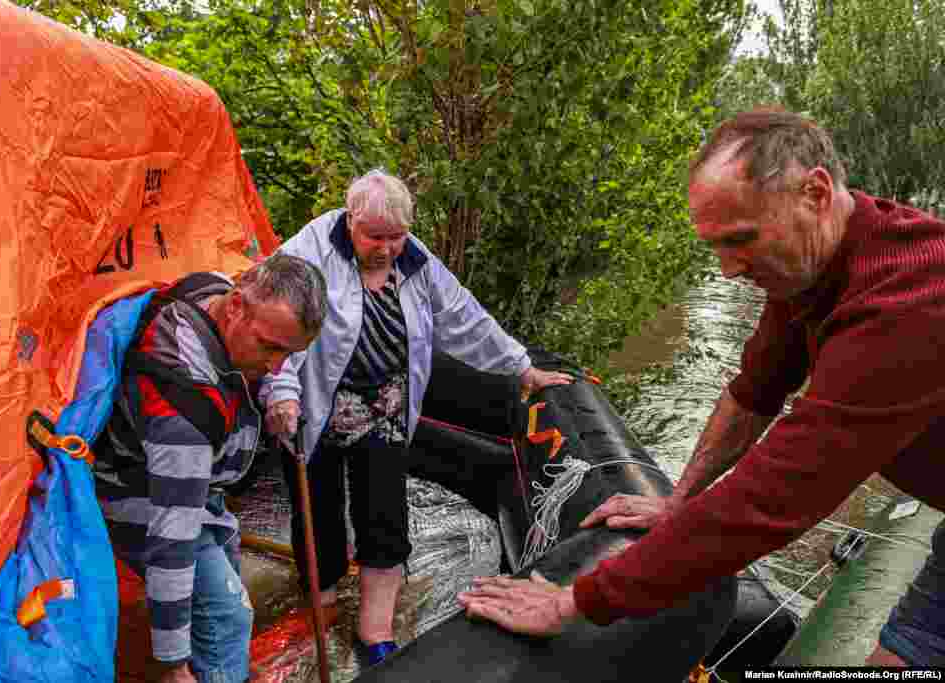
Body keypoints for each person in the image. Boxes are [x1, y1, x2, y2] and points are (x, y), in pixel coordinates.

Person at [458, 107, 945, 667]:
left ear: (814, 193)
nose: (729, 270)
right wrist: (678, 501)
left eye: (740, 240)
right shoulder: (813, 265)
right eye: (715, 246)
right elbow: (753, 391)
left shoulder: (905, 306)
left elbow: (773, 498)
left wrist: (573, 601)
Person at [259, 169, 572, 666]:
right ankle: (321, 605)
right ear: (350, 219)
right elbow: (276, 324)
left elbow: (463, 317)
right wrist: (281, 391)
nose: (386, 248)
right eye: (374, 237)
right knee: (316, 513)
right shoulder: (309, 251)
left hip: (385, 409)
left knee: (384, 516)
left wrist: (520, 366)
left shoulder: (416, 261)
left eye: (396, 236)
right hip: (316, 406)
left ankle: (374, 630)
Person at [93, 255, 328, 683]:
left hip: (198, 489)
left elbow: (277, 361)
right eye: (269, 348)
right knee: (225, 614)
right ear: (236, 306)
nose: (276, 365)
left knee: (228, 594)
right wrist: (173, 663)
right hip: (138, 496)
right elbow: (172, 540)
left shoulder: (216, 289)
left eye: (289, 353)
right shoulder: (182, 406)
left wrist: (281, 390)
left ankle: (221, 665)